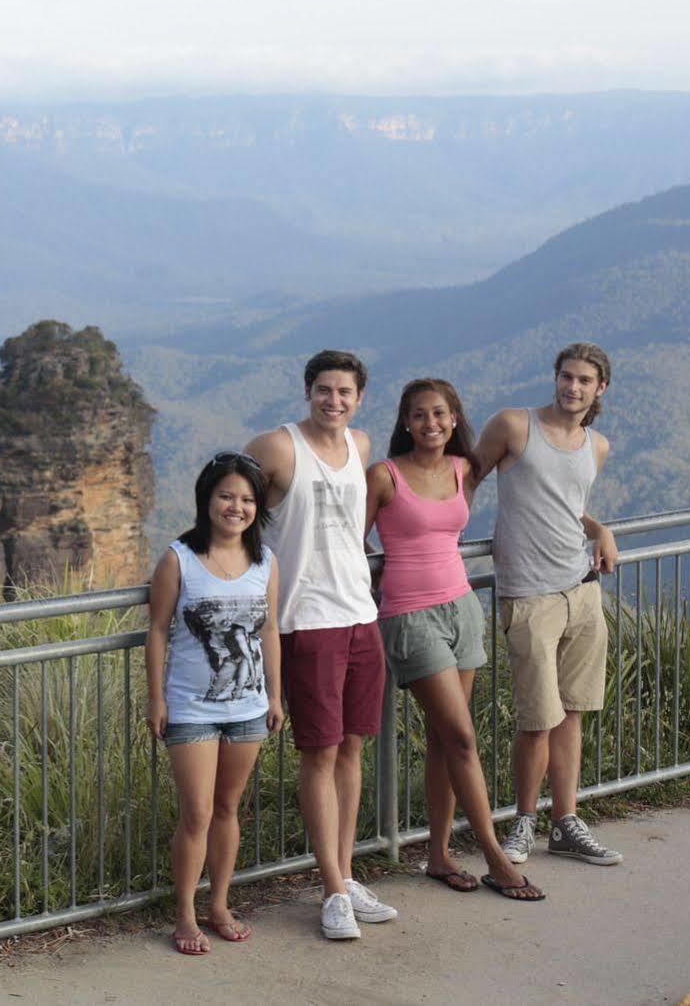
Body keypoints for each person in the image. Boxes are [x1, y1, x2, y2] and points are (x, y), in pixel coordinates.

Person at [366, 378, 543, 902]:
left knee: (447, 739)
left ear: (454, 417)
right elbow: (352, 543)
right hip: (411, 616)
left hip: (463, 609)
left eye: (440, 414)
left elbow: (531, 494)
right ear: (404, 421)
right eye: (419, 415)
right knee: (463, 738)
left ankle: (439, 854)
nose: (430, 424)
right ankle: (493, 854)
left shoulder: (465, 471)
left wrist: (593, 525)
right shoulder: (385, 475)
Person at [243, 350, 396, 942]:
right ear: (307, 391)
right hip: (305, 620)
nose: (335, 401)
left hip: (361, 612)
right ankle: (331, 889)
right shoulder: (277, 448)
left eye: (346, 392)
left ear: (360, 398)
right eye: (324, 390)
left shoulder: (359, 446)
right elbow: (231, 508)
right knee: (320, 753)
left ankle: (347, 875)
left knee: (352, 748)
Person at [473, 342, 623, 867]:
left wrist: (598, 526)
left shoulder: (595, 445)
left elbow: (568, 505)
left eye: (584, 380)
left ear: (600, 388)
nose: (572, 387)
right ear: (555, 377)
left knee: (572, 715)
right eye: (566, 377)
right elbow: (464, 480)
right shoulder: (515, 426)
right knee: (536, 719)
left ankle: (565, 820)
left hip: (582, 590)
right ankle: (523, 821)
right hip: (529, 594)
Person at [145, 453, 284, 955]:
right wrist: (156, 697)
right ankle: (184, 913)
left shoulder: (265, 561)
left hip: (248, 706)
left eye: (247, 499)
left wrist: (276, 693)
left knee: (228, 807)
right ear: (207, 498)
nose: (236, 507)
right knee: (197, 812)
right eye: (226, 496)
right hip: (190, 707)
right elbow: (158, 630)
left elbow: (269, 630)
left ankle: (219, 903)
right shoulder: (178, 558)